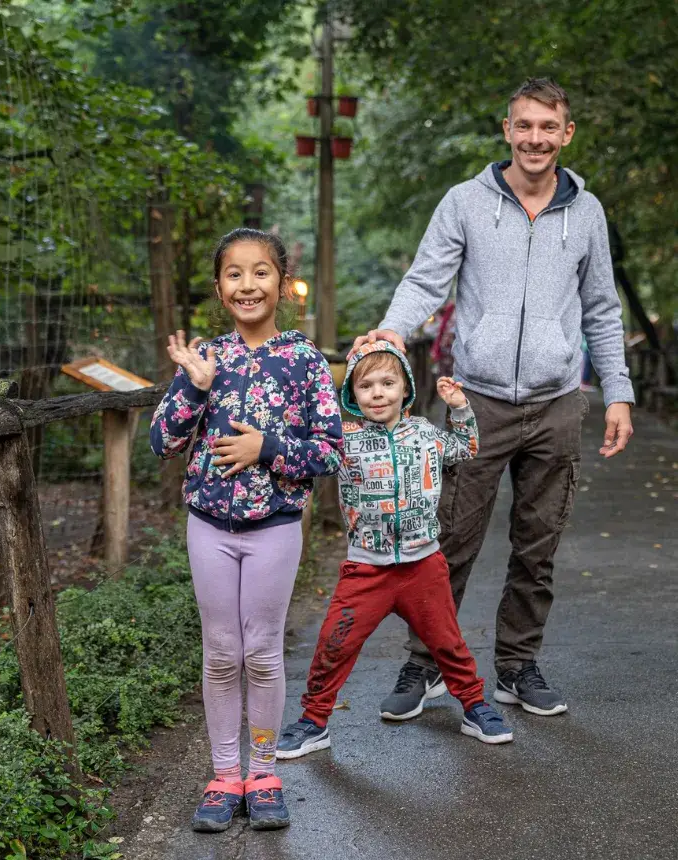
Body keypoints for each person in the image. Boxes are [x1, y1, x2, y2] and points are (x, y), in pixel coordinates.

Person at [352, 78, 635, 720]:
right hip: (472, 402)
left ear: (567, 134)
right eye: (523, 125)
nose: (535, 138)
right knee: (448, 538)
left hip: (557, 402)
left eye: (548, 127)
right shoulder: (465, 203)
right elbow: (426, 279)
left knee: (538, 546)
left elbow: (601, 309)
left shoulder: (586, 214)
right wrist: (394, 330)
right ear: (507, 130)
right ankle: (425, 665)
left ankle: (517, 667)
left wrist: (617, 391)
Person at [150, 227, 343, 832]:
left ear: (282, 284)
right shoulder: (206, 357)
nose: (247, 284)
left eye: (261, 272)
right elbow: (163, 441)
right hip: (209, 526)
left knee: (260, 652)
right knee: (220, 653)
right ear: (219, 287)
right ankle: (223, 774)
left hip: (274, 529)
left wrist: (267, 447)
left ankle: (263, 773)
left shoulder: (304, 360)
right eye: (234, 273)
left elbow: (332, 451)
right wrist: (191, 384)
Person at [276, 341, 513, 759]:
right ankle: (313, 722)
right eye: (366, 386)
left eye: (389, 383)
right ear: (352, 394)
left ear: (405, 388)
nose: (378, 393)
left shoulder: (424, 433)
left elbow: (466, 448)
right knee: (335, 643)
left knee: (448, 643)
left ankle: (476, 707)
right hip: (366, 570)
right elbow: (305, 453)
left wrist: (459, 408)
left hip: (423, 565)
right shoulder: (343, 439)